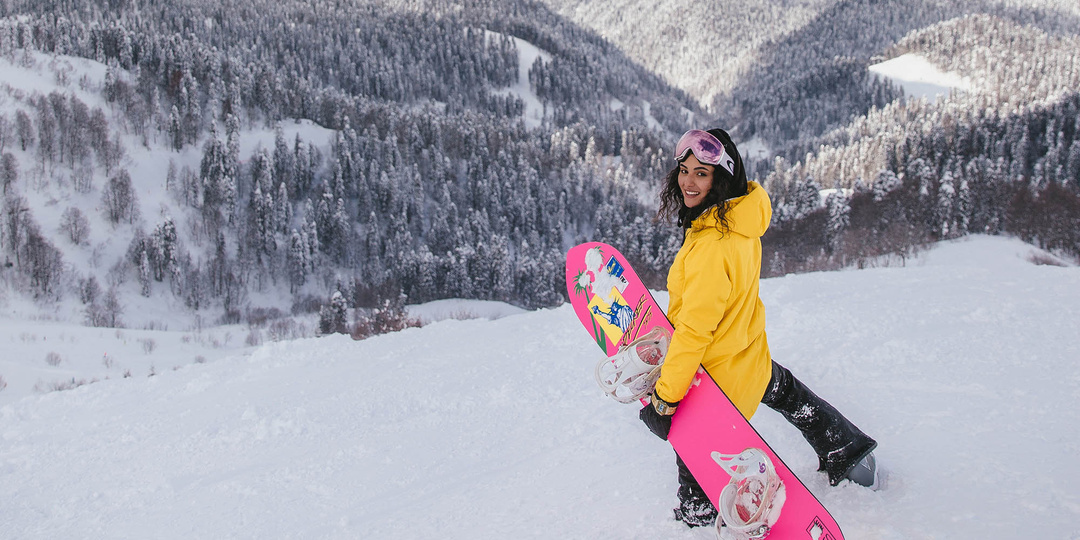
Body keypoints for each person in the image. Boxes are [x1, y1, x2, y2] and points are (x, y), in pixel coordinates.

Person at [637, 128, 879, 528]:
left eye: (701, 173)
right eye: (684, 170)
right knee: (790, 395)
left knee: (695, 474)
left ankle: (697, 516)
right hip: (749, 355)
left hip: (715, 382)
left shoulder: (712, 245)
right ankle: (848, 450)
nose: (688, 182)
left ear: (721, 179)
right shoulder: (741, 220)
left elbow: (695, 333)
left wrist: (665, 399)